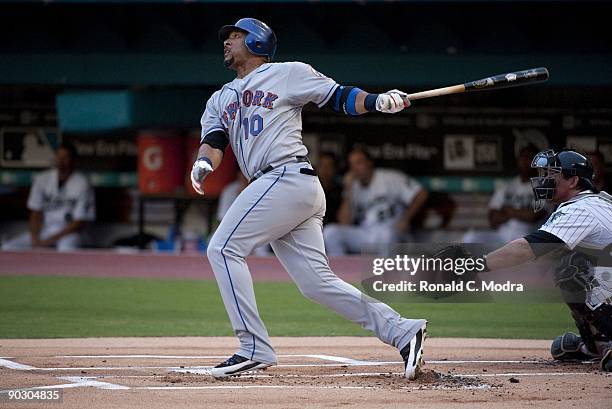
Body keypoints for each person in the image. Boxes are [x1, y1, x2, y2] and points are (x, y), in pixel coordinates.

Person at [190, 18, 427, 379]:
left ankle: (253, 346)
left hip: (285, 177)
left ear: (255, 42)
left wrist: (379, 101)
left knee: (222, 248)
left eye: (234, 36)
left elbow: (340, 97)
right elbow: (216, 140)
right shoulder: (219, 98)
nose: (226, 42)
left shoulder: (287, 73)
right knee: (317, 284)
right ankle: (403, 330)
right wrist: (204, 161)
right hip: (281, 189)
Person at [483, 149, 612, 372]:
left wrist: (474, 265)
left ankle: (604, 340)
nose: (544, 180)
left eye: (552, 175)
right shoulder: (593, 202)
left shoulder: (581, 209)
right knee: (569, 261)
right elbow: (542, 253)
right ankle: (597, 344)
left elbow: (525, 250)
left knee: (572, 268)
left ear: (572, 181)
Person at [323, 146, 428, 256]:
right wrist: (348, 190)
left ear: (370, 163)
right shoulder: (353, 187)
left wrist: (406, 218)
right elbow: (344, 223)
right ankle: (342, 271)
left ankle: (385, 272)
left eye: (359, 163)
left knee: (386, 235)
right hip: (365, 233)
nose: (355, 169)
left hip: (391, 232)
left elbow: (421, 193)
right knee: (330, 232)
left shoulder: (390, 178)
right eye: (352, 165)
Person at [2, 142, 95, 251]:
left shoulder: (82, 183)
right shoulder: (43, 179)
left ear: (73, 160)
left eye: (65, 157)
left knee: (66, 249)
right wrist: (35, 239)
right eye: (59, 156)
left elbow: (79, 223)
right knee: (8, 247)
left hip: (68, 234)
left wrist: (49, 241)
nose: (61, 161)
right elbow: (35, 213)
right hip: (46, 231)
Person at [464, 144, 547, 247]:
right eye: (522, 157)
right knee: (471, 237)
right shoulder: (507, 186)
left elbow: (534, 216)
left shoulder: (543, 187)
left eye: (529, 157)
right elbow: (493, 218)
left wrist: (509, 211)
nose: (525, 161)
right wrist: (520, 213)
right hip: (501, 237)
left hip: (527, 239)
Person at [316, 151, 343, 225]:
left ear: (335, 169)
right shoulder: (311, 189)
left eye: (329, 166)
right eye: (322, 165)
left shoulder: (340, 192)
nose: (325, 170)